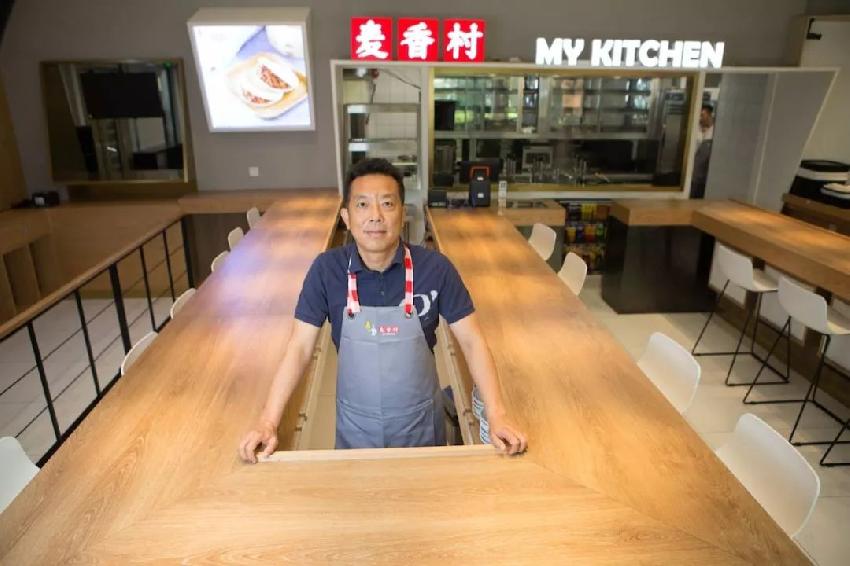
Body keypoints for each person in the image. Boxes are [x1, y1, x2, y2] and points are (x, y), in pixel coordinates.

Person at [239, 158, 527, 462]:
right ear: (346, 217)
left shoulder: (435, 268)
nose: (375, 216)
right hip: (356, 428)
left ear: (403, 214)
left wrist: (497, 415)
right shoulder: (327, 270)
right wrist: (267, 421)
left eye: (387, 204)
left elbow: (472, 341)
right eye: (362, 205)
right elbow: (299, 347)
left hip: (421, 428)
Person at [690, 103, 715, 199]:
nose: (700, 118)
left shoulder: (715, 132)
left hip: (704, 177)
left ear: (710, 115)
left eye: (702, 115)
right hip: (693, 174)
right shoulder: (696, 129)